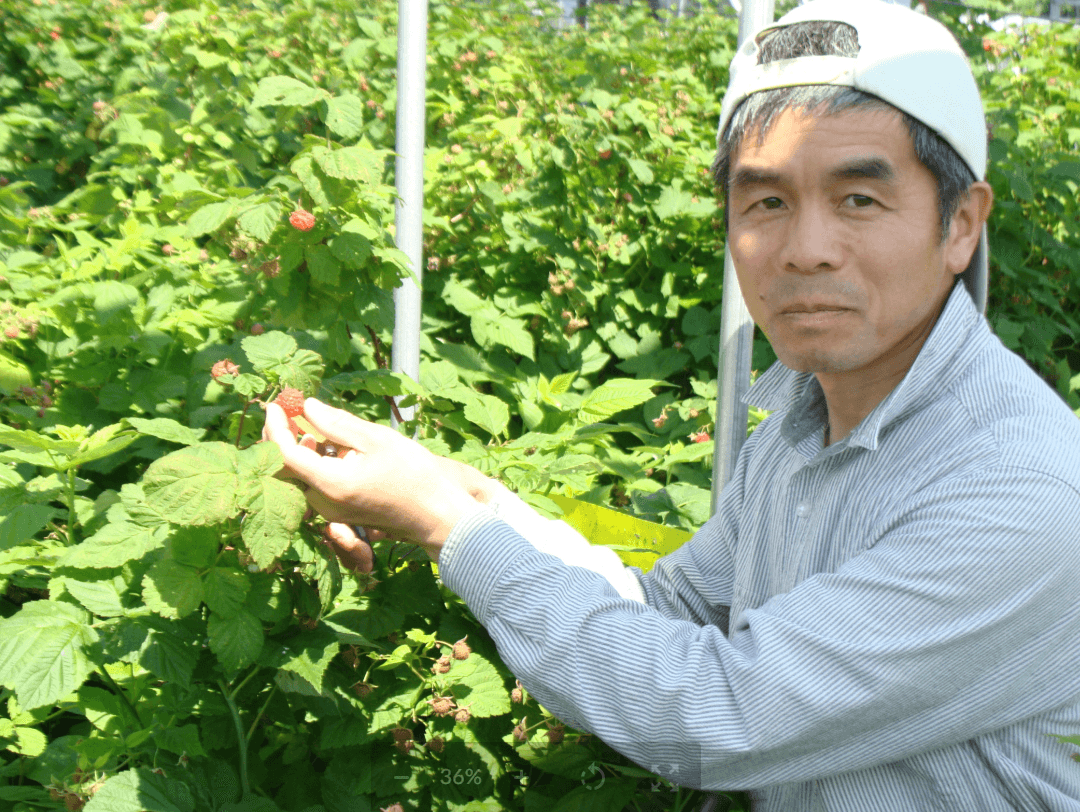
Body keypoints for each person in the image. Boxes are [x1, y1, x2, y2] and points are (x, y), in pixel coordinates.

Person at [263, 0, 1080, 807]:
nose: (806, 250)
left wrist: (449, 526)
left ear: (960, 225)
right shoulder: (802, 425)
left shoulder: (1018, 488)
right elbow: (671, 609)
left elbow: (721, 714)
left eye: (858, 199)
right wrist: (459, 498)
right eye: (767, 202)